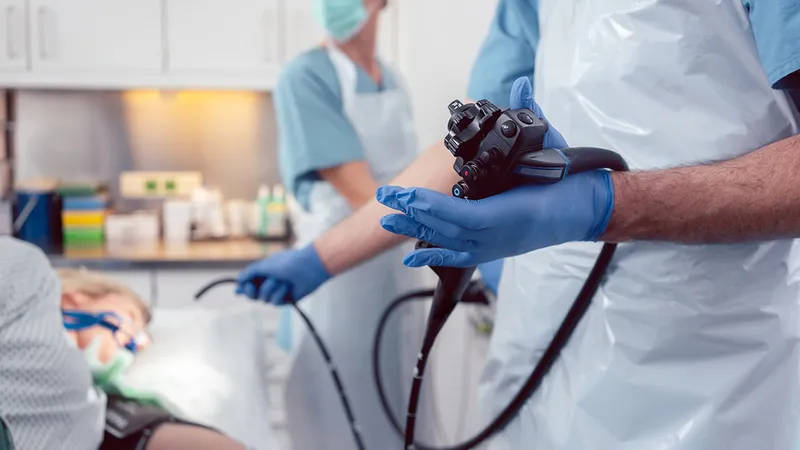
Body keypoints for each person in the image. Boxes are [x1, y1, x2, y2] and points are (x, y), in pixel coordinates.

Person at [235, 0, 800, 449]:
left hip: (703, 366)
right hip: (540, 338)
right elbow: (469, 150)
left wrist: (608, 204)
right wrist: (320, 258)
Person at [235, 0, 446, 448]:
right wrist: (444, 223)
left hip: (396, 273)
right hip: (340, 274)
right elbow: (366, 198)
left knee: (396, 411)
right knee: (340, 420)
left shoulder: (392, 78)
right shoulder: (306, 76)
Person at [0, 237, 245, 450]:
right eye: (131, 318)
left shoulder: (101, 413)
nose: (139, 342)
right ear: (77, 298)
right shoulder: (26, 278)